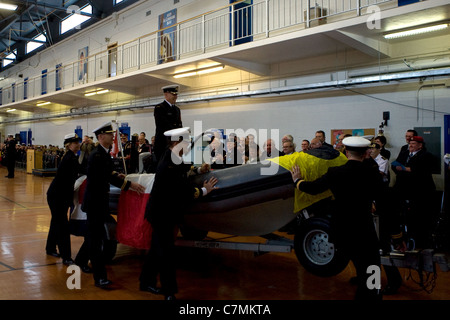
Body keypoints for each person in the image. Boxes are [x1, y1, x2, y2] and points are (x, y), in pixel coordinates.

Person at [290, 136, 383, 300]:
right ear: (365, 153)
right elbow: (383, 199)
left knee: (359, 265)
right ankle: (371, 295)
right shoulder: (371, 173)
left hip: (341, 231)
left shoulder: (335, 172)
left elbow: (313, 188)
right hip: (364, 230)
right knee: (372, 267)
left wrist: (297, 181)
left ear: (346, 152)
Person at [139, 127, 219, 300]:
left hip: (161, 212)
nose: (189, 145)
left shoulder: (172, 156)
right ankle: (169, 292)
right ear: (176, 143)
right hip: (162, 214)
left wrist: (198, 171)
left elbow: (184, 170)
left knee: (156, 249)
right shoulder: (170, 162)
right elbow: (181, 190)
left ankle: (146, 282)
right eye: (186, 142)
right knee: (166, 252)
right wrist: (205, 190)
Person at [82, 122, 145, 288]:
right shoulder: (97, 155)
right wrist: (129, 184)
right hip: (95, 204)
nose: (113, 137)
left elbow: (108, 173)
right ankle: (99, 278)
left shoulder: (102, 154)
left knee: (92, 237)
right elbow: (105, 177)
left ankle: (80, 261)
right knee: (96, 241)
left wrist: (118, 174)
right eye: (110, 134)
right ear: (101, 137)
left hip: (98, 203)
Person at [392, 136, 436, 248]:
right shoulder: (404, 153)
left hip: (419, 191)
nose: (410, 145)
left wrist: (407, 169)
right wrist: (399, 168)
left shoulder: (426, 155)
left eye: (413, 143)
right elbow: (395, 164)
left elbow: (423, 171)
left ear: (420, 145)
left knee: (418, 217)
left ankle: (420, 241)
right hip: (403, 188)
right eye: (410, 143)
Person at [45, 133, 82, 265]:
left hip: (59, 196)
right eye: (75, 142)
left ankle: (50, 248)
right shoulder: (69, 158)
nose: (78, 144)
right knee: (62, 226)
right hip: (57, 197)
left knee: (56, 222)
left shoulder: (72, 157)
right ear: (68, 145)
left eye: (78, 142)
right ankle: (66, 256)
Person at [153, 84, 183, 162]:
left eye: (176, 94)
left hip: (175, 144)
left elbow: (179, 125)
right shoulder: (160, 108)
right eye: (173, 94)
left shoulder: (177, 109)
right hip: (163, 143)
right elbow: (162, 126)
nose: (175, 96)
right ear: (166, 94)